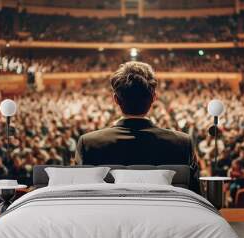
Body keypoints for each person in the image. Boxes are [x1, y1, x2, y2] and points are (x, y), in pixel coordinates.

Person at [75, 61, 200, 194]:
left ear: (116, 99)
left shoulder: (88, 143)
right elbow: (196, 197)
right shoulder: (183, 143)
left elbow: (80, 194)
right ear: (154, 98)